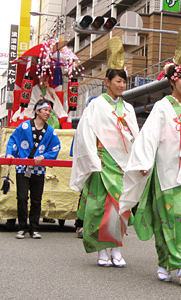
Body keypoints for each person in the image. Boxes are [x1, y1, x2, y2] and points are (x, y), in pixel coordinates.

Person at [119, 26, 181, 286]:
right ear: (172, 80)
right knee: (166, 219)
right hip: (165, 171)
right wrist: (143, 163)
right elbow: (148, 136)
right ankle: (165, 262)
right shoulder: (163, 107)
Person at [70, 37, 139, 267]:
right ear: (107, 81)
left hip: (121, 164)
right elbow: (85, 134)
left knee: (120, 208)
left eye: (124, 82)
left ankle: (116, 249)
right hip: (101, 162)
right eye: (118, 81)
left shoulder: (128, 108)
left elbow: (135, 137)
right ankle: (102, 251)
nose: (121, 85)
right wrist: (92, 159)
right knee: (100, 209)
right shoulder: (96, 106)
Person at [6, 99, 61, 239]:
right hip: (22, 168)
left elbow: (55, 147)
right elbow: (13, 139)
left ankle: (34, 228)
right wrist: (9, 153)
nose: (48, 113)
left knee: (37, 199)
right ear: (37, 111)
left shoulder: (50, 131)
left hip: (39, 169)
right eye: (45, 110)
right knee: (22, 197)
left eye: (49, 111)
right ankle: (22, 227)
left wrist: (43, 156)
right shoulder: (24, 126)